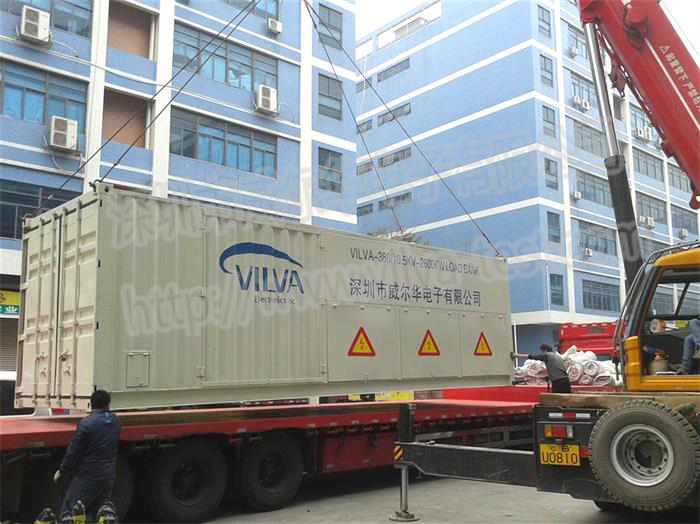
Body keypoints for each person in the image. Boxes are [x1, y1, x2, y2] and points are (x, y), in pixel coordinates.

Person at [54, 390, 121, 520]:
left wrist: (62, 470)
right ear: (108, 404)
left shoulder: (86, 423)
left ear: (91, 404)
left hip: (88, 475)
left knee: (70, 511)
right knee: (102, 513)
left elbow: (73, 451)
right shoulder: (116, 421)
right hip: (108, 475)